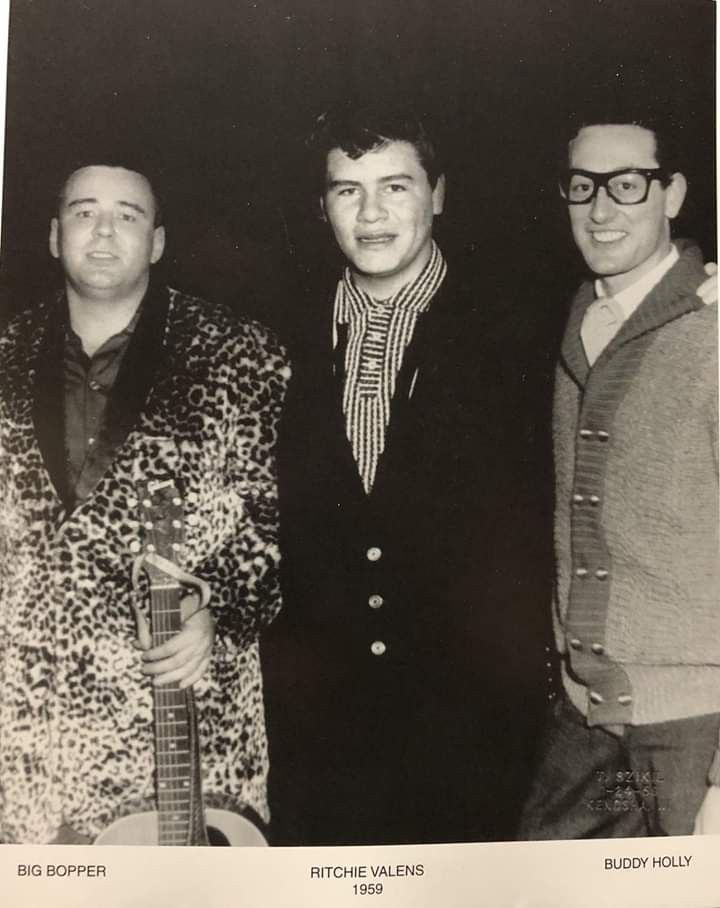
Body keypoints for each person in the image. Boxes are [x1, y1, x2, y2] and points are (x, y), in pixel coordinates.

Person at [261, 106, 558, 845]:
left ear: (440, 194)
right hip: (318, 743)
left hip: (473, 735)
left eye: (395, 187)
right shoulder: (273, 331)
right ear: (321, 206)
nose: (369, 214)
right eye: (345, 190)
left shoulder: (525, 327)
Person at [0, 162, 289, 843]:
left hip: (178, 733)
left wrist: (217, 611)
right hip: (28, 747)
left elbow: (271, 529)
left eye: (127, 215)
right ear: (52, 234)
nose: (102, 232)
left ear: (157, 241)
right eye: (83, 212)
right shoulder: (6, 351)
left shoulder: (237, 351)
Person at [519, 115, 719, 838]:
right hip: (588, 721)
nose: (600, 211)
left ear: (673, 194)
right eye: (582, 188)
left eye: (627, 186)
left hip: (694, 729)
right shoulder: (579, 319)